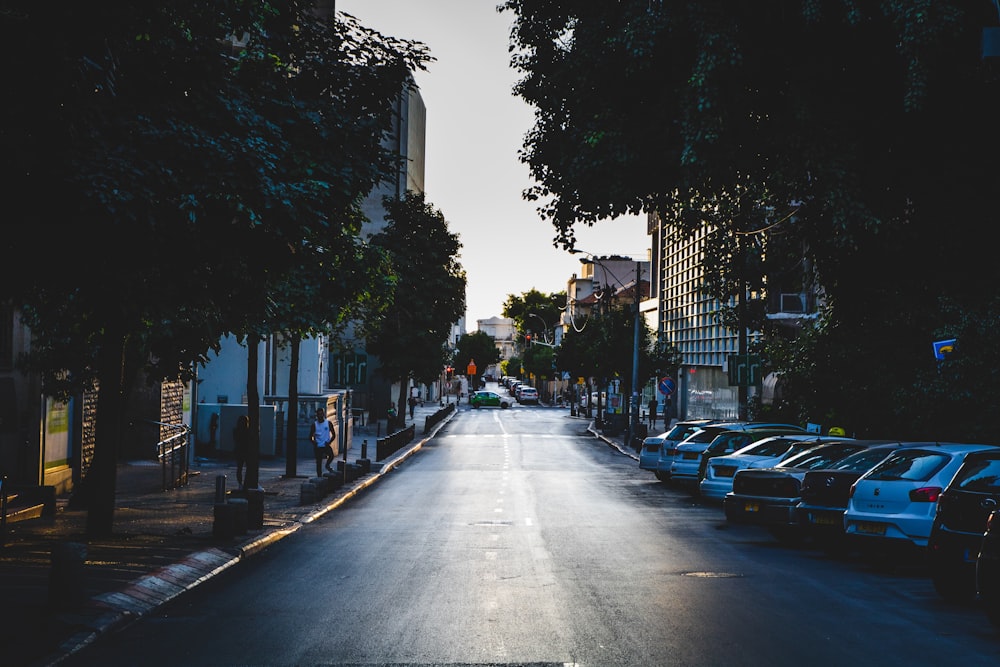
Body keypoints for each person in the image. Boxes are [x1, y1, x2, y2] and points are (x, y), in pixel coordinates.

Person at [310, 407, 335, 476]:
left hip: (326, 445)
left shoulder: (328, 423)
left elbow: (334, 435)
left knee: (331, 456)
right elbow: (310, 437)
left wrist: (329, 442)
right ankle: (319, 476)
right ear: (317, 415)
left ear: (324, 414)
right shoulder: (314, 425)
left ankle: (327, 465)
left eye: (321, 414)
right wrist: (314, 443)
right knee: (319, 462)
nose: (320, 416)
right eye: (318, 415)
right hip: (318, 446)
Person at [232, 415, 251, 488]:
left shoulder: (236, 430)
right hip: (246, 450)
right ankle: (247, 482)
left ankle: (240, 484)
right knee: (248, 467)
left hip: (239, 450)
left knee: (239, 468)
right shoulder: (248, 431)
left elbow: (236, 440)